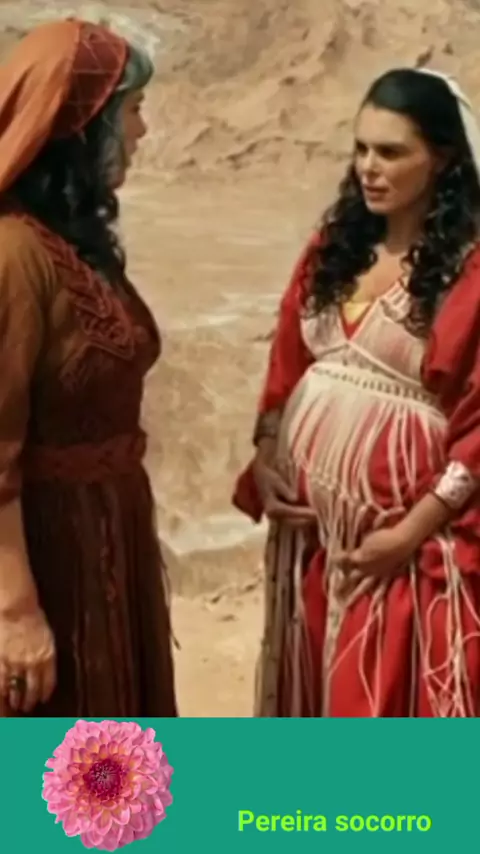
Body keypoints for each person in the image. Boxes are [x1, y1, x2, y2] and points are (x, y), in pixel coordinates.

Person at [233, 67, 480, 717]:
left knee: (379, 702)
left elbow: (478, 427)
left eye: (392, 152)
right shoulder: (334, 248)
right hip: (312, 542)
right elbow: (286, 366)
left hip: (405, 549)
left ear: (442, 158)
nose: (369, 167)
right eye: (362, 149)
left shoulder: (468, 271)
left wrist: (408, 533)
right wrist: (268, 452)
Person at [0, 18, 177, 716]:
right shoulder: (14, 257)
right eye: (132, 111)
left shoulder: (73, 244)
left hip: (106, 537)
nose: (142, 131)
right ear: (83, 128)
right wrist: (15, 609)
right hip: (49, 559)